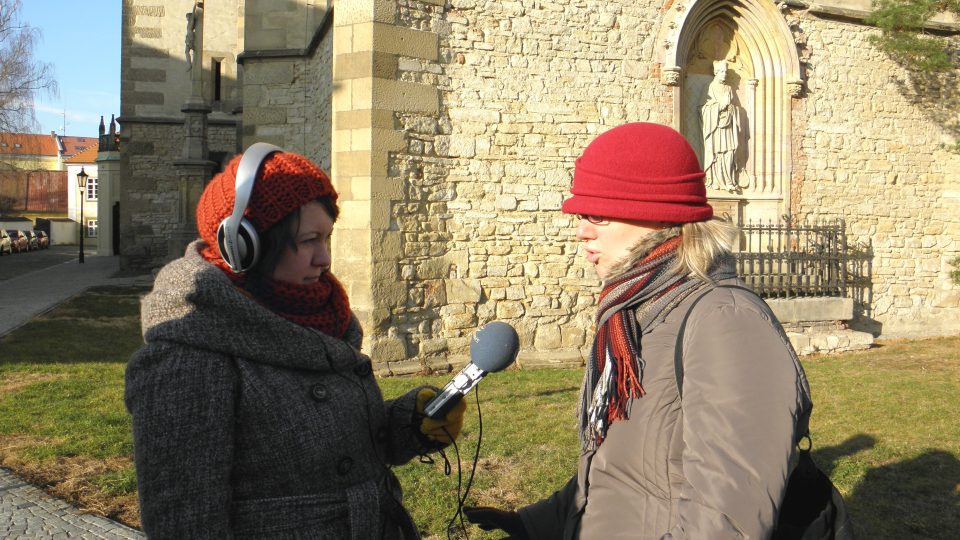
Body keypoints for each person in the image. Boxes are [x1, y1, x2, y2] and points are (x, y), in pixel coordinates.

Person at [465, 123, 812, 538]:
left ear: (658, 214)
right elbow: (621, 470)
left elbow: (727, 522)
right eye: (581, 215)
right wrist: (539, 521)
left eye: (598, 214)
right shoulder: (634, 314)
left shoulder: (725, 320)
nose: (581, 230)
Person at [125, 144, 465, 539]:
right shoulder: (189, 357)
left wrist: (410, 424)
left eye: (327, 238)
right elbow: (185, 525)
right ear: (245, 245)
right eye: (308, 240)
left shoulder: (320, 320)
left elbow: (336, 450)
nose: (324, 258)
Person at [701, 60, 742, 191]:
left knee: (729, 153)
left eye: (726, 72)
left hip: (728, 126)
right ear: (716, 73)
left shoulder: (729, 89)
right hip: (715, 128)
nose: (724, 74)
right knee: (716, 154)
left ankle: (729, 180)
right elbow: (702, 109)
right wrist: (719, 106)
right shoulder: (709, 87)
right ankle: (714, 180)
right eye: (722, 72)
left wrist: (730, 109)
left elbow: (734, 107)